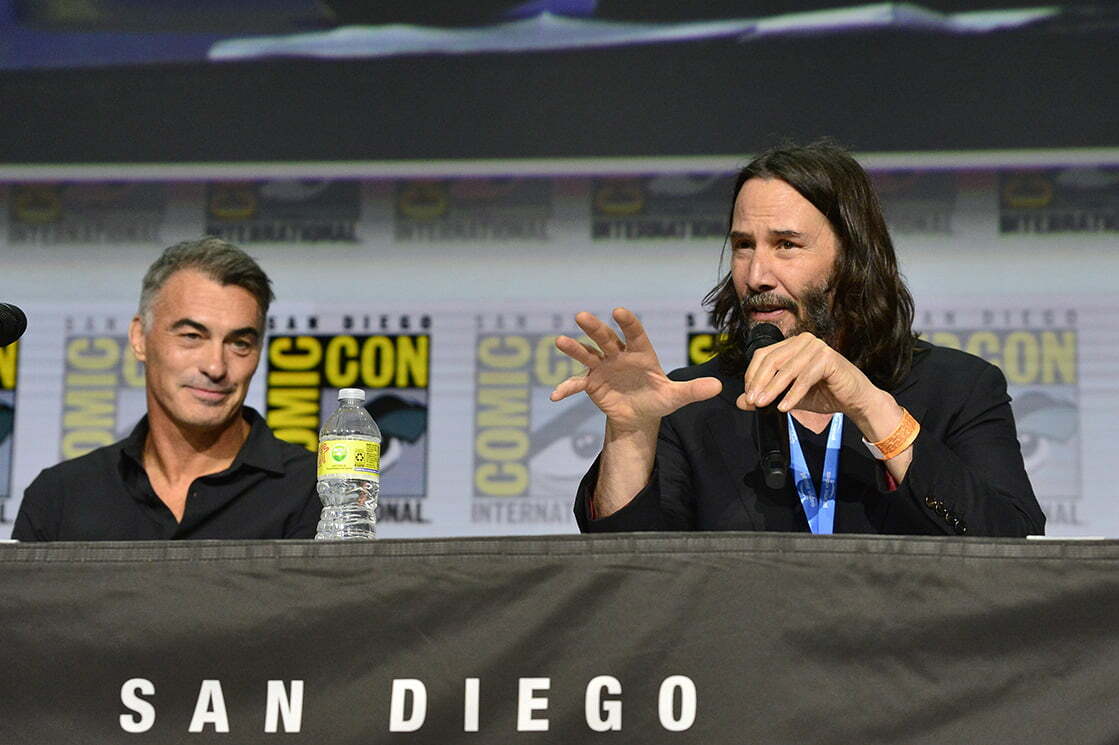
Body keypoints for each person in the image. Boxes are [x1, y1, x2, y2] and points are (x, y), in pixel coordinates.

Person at [551, 142, 1045, 536]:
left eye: (786, 245)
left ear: (853, 257)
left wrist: (871, 407)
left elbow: (1009, 544)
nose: (757, 274)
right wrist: (632, 434)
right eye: (744, 246)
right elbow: (627, 582)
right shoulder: (692, 402)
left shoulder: (958, 388)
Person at [13, 238, 319, 540]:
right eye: (191, 336)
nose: (215, 367)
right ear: (139, 338)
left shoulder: (313, 492)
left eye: (239, 343)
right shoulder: (60, 498)